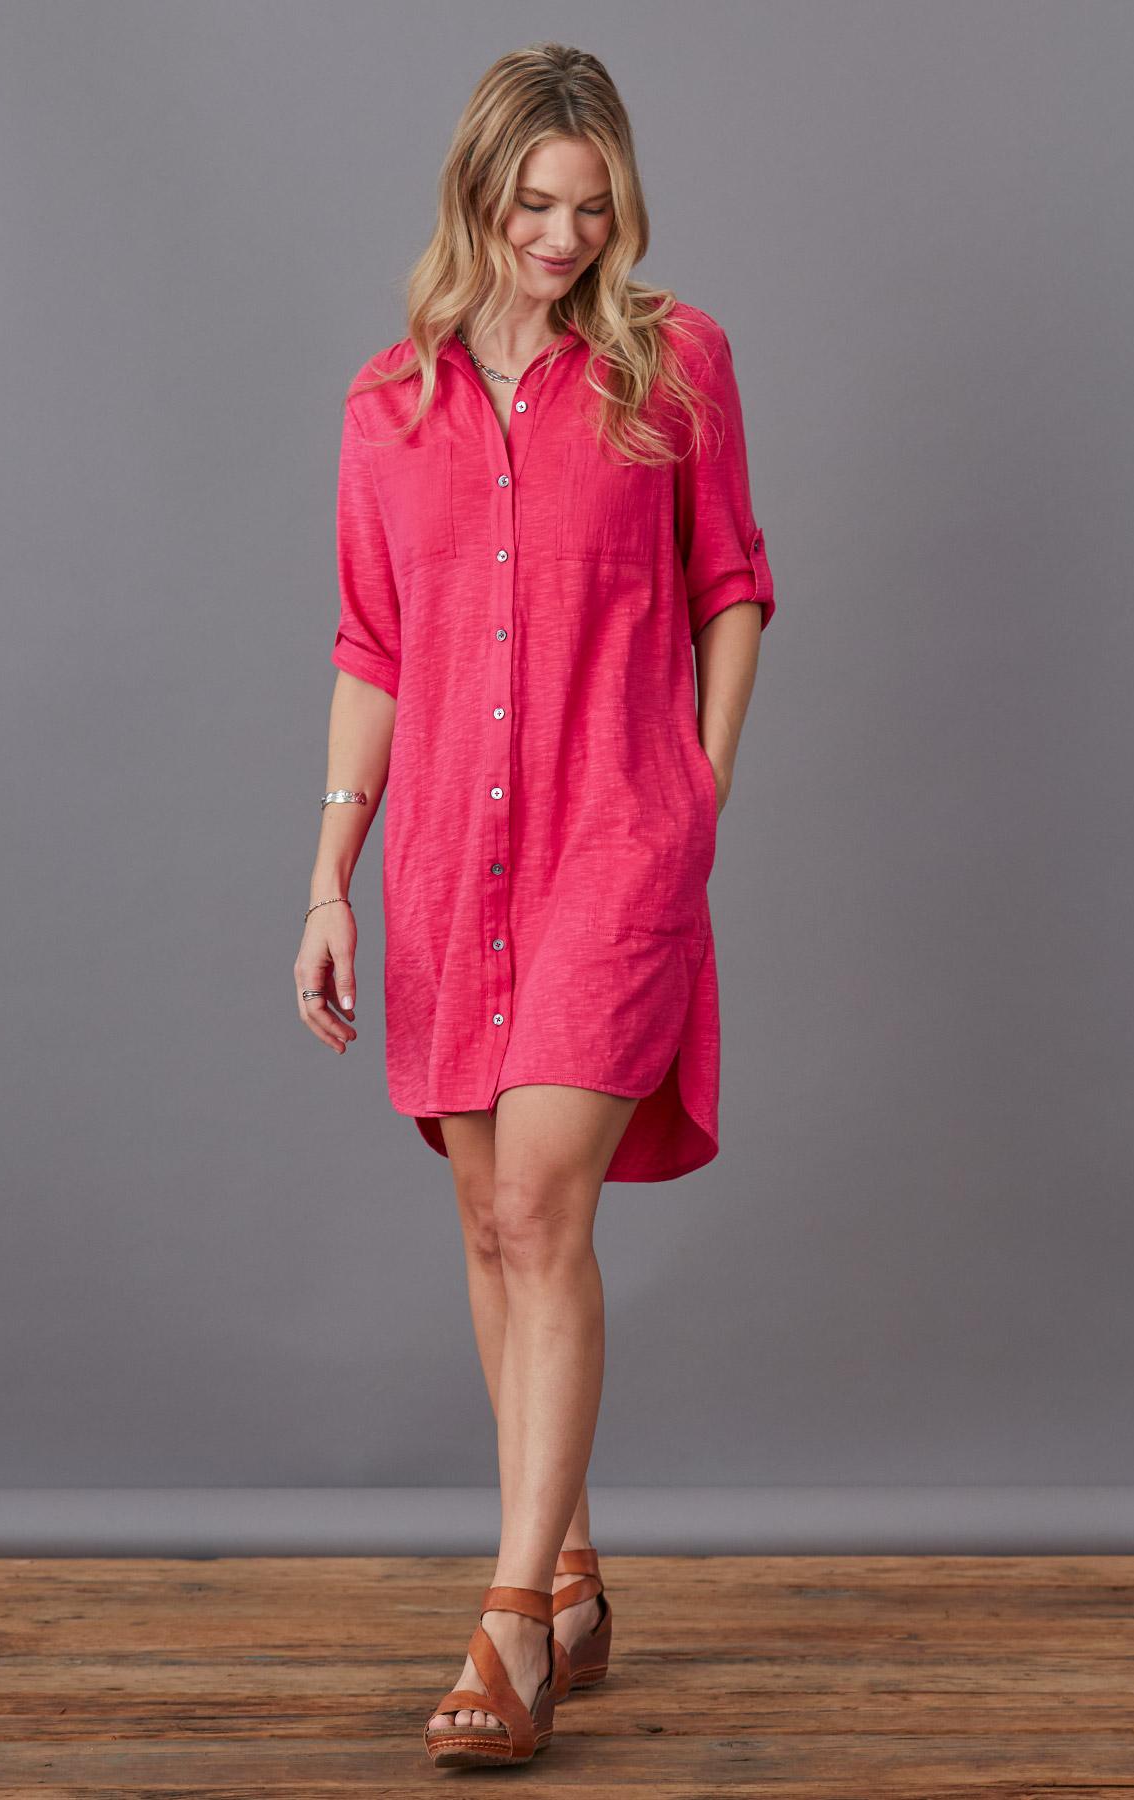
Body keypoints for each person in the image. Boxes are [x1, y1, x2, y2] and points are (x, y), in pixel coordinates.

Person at [297, 42, 775, 1770]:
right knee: (490, 1217)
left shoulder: (676, 362)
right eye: (533, 207)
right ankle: (567, 1567)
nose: (563, 239)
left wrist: (696, 796)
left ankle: (506, 1628)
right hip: (449, 856)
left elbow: (733, 588)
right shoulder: (390, 405)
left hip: (615, 839)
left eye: (592, 207)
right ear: (475, 196)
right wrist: (328, 878)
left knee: (541, 1203)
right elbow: (373, 649)